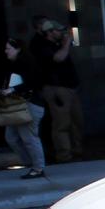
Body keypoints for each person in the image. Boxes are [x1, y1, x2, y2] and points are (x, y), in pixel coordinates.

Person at [28, 16, 82, 163]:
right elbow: (58, 58)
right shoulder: (42, 46)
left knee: (76, 120)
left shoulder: (56, 44)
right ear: (50, 32)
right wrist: (66, 44)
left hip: (69, 87)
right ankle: (64, 154)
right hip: (56, 88)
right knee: (61, 123)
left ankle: (76, 148)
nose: (62, 33)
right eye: (59, 31)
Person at [0, 38, 46, 178]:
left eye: (9, 48)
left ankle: (38, 168)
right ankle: (32, 163)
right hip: (18, 107)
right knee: (11, 137)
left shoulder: (27, 63)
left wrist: (12, 90)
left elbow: (34, 82)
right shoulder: (14, 64)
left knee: (29, 138)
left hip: (29, 105)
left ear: (18, 49)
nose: (6, 51)